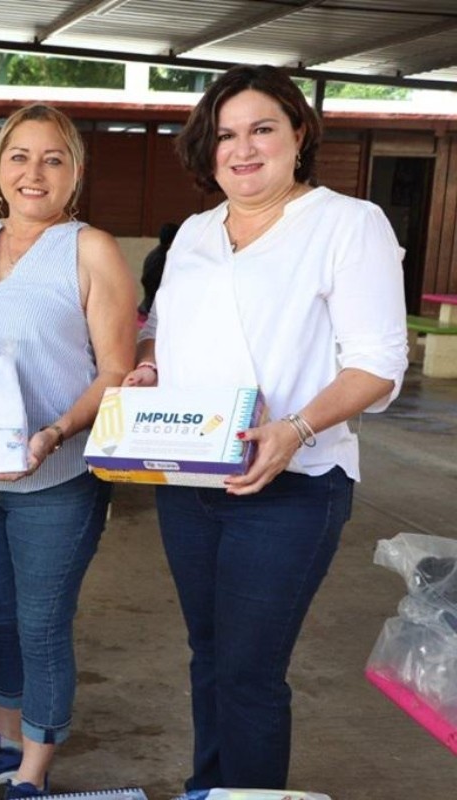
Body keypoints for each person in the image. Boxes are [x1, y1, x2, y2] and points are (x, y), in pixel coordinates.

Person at [123, 64, 408, 791]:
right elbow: (159, 325)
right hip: (190, 476)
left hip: (292, 482)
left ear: (299, 133)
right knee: (209, 654)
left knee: (249, 671)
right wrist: (150, 367)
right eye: (224, 135)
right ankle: (212, 788)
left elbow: (377, 366)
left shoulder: (348, 224)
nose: (241, 150)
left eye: (261, 130)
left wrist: (295, 430)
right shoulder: (195, 231)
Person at [0, 104, 137, 798]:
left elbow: (116, 372)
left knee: (41, 623)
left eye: (53, 158)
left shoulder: (91, 248)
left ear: (74, 173)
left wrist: (55, 431)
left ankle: (34, 773)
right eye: (19, 155)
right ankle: (7, 741)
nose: (33, 172)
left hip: (58, 476)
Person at [138, 221, 179, 317]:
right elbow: (151, 283)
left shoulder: (157, 254)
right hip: (153, 311)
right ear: (173, 241)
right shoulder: (162, 259)